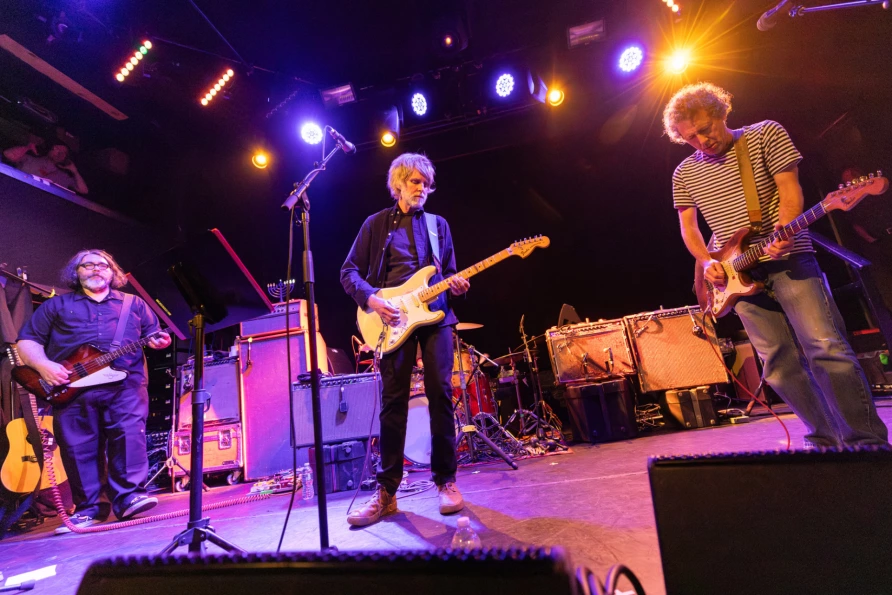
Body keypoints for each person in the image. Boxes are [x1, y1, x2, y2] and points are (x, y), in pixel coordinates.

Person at [663, 81, 888, 448]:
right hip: (735, 275)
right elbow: (689, 228)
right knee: (779, 366)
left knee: (825, 348)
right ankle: (826, 443)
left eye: (705, 129)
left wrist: (784, 228)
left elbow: (789, 190)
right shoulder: (684, 173)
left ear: (722, 112)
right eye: (690, 137)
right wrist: (706, 263)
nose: (701, 140)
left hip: (789, 257)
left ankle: (868, 445)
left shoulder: (765, 133)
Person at [341, 153, 470, 526]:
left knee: (441, 394)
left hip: (435, 317)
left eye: (427, 184)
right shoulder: (376, 225)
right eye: (415, 182)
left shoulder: (438, 225)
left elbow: (447, 272)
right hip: (391, 319)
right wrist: (372, 299)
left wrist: (457, 284)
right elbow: (348, 271)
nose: (422, 189)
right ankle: (387, 494)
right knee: (393, 403)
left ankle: (446, 481)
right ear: (398, 183)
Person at [16, 249, 170, 532]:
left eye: (103, 265)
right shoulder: (56, 306)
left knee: (128, 438)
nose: (96, 269)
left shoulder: (133, 304)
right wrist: (44, 366)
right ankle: (89, 509)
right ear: (76, 272)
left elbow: (154, 335)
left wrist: (159, 342)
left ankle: (129, 498)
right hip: (71, 388)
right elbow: (27, 341)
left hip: (125, 385)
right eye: (88, 265)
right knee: (78, 448)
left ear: (113, 273)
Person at [3, 141, 89, 195]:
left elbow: (84, 190)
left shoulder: (64, 176)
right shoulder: (30, 159)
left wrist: (75, 171)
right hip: (14, 194)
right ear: (50, 149)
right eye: (57, 149)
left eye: (64, 152)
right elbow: (8, 154)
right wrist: (27, 147)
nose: (60, 153)